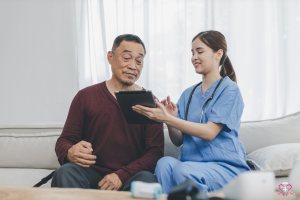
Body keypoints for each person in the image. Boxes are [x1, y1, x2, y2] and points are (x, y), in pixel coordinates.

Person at [132, 30, 251, 194]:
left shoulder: (229, 89)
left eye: (200, 51)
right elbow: (178, 140)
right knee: (164, 164)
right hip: (190, 164)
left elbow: (210, 132)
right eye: (192, 52)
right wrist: (169, 119)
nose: (194, 57)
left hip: (225, 167)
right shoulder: (188, 94)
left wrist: (169, 119)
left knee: (184, 171)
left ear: (218, 54)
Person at [51, 34, 164, 191]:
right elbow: (65, 140)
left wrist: (121, 175)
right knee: (65, 172)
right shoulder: (85, 96)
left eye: (139, 61)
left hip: (129, 177)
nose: (133, 66)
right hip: (91, 175)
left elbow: (155, 152)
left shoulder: (150, 103)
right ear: (110, 57)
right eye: (126, 58)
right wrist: (70, 151)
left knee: (148, 179)